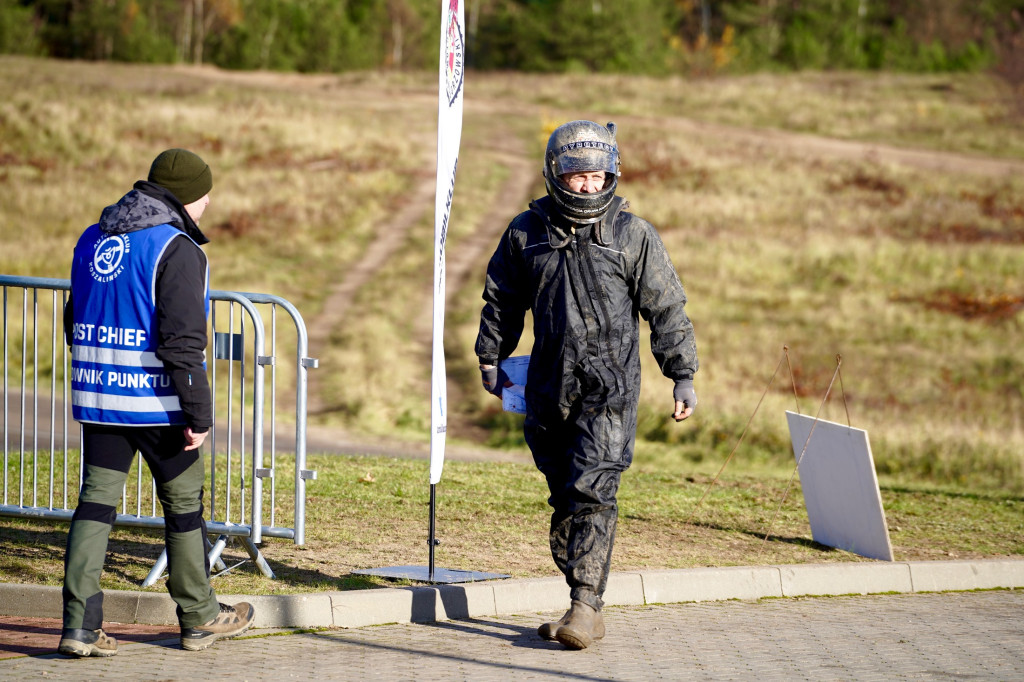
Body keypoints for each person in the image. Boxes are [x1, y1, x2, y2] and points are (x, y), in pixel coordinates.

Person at [475, 121, 698, 650]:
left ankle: (584, 605)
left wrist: (682, 375)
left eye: (598, 176)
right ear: (557, 174)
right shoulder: (526, 232)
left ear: (612, 175)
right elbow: (502, 301)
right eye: (578, 177)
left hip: (611, 388)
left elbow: (666, 309)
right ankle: (581, 597)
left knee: (592, 486)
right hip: (549, 387)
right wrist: (491, 357)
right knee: (563, 493)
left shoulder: (632, 235)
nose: (589, 187)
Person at [59, 149, 255, 657]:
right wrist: (199, 415)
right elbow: (183, 343)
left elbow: (72, 317)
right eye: (207, 196)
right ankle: (199, 616)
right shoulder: (178, 248)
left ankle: (79, 627)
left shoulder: (92, 236)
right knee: (184, 506)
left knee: (95, 505)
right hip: (158, 404)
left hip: (99, 397)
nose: (209, 205)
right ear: (190, 198)